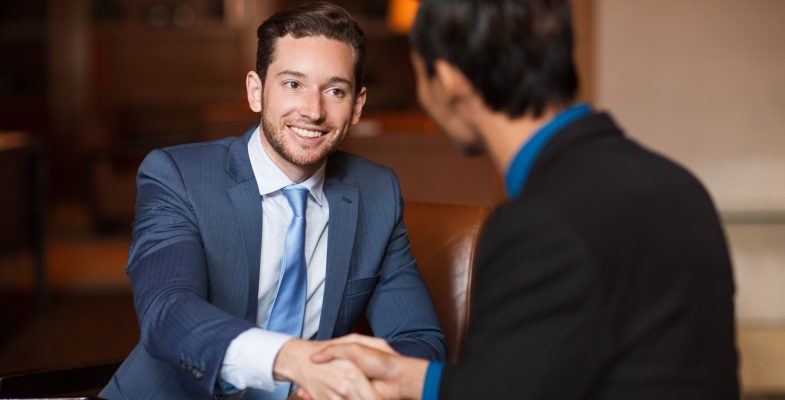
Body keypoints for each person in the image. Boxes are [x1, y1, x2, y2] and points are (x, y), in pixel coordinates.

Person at [310, 0, 740, 399]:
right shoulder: (679, 186)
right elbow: (531, 377)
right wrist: (412, 378)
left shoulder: (542, 225)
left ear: (450, 79)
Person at [99, 2, 446, 399]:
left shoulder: (377, 192)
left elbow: (419, 340)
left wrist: (350, 387)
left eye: (335, 91)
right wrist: (290, 359)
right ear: (256, 90)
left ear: (357, 106)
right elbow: (167, 313)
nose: (313, 111)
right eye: (293, 84)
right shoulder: (178, 176)